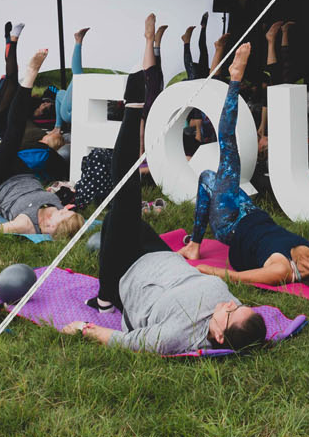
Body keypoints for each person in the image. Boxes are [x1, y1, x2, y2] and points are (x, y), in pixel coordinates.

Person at [61, 72, 268, 354]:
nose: (232, 303)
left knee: (125, 195)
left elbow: (127, 342)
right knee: (114, 219)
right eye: (240, 305)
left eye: (232, 312)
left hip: (129, 272)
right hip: (159, 255)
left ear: (219, 336)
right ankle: (104, 295)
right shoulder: (228, 308)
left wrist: (84, 328)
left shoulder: (175, 336)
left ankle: (133, 110)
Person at [177, 44, 309, 291]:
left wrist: (201, 270)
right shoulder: (308, 252)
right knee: (208, 177)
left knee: (229, 150)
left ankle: (235, 79)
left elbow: (235, 277)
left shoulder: (281, 270)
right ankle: (194, 246)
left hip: (231, 224)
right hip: (251, 213)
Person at [0, 46, 86, 241]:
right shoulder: (59, 210)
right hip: (23, 176)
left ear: (51, 227)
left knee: (13, 136)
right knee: (5, 147)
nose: (64, 209)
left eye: (64, 214)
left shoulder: (27, 224)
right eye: (67, 211)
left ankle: (30, 75)